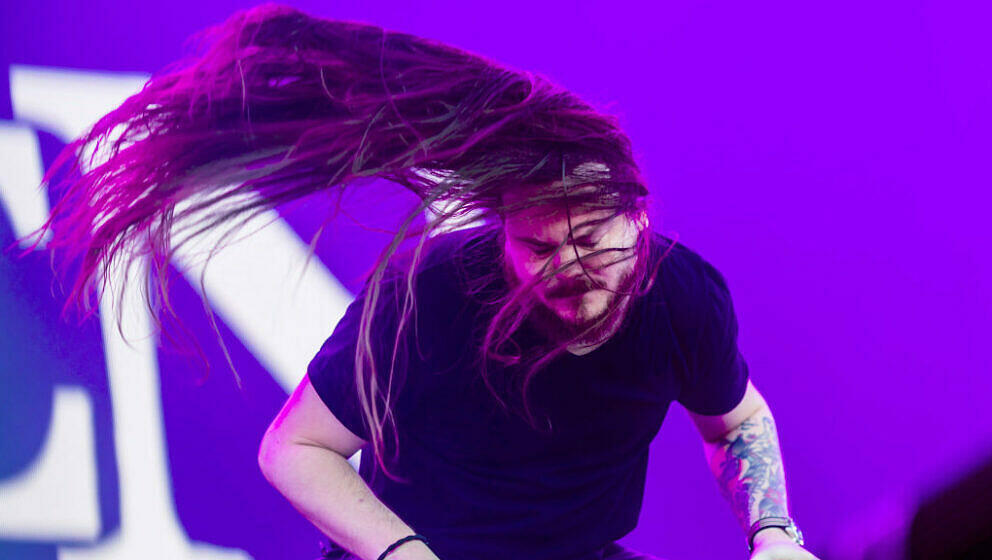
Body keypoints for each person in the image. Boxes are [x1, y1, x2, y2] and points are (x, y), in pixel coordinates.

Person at [34, 5, 820, 560]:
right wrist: (404, 554)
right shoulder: (432, 294)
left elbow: (735, 423)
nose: (568, 270)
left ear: (638, 223)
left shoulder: (681, 297)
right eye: (538, 247)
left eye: (589, 240)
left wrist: (775, 534)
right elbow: (294, 448)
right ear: (502, 234)